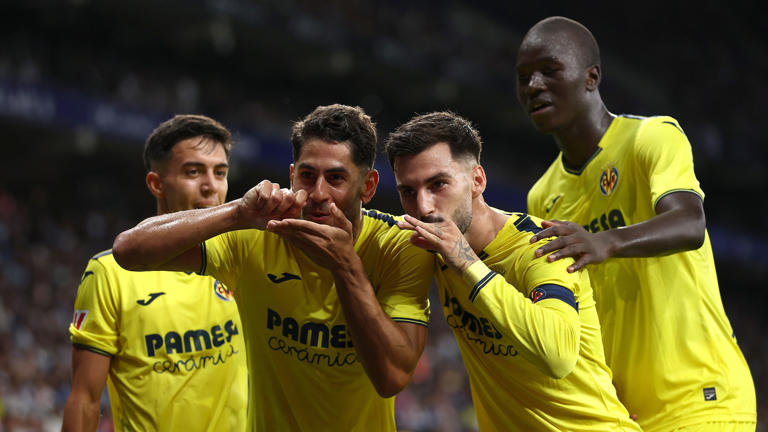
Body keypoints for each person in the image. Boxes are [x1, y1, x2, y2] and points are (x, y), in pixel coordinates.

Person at [111, 104, 433, 431]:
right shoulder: (257, 236)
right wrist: (237, 212)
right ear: (292, 175)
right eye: (308, 176)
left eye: (336, 178)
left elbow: (392, 377)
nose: (318, 193)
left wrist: (346, 266)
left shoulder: (399, 245)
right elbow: (128, 251)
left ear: (368, 185)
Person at [517, 16, 756, 432]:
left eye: (549, 71)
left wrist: (604, 242)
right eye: (523, 77)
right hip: (623, 415)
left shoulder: (652, 137)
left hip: (701, 399)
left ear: (591, 77)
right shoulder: (542, 196)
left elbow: (689, 222)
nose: (533, 85)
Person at [385, 111, 640, 431]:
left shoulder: (541, 245)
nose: (423, 207)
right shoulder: (426, 243)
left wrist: (467, 262)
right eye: (408, 191)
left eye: (438, 184)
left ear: (477, 180)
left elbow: (557, 356)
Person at [62, 115, 248, 431]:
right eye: (193, 172)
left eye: (220, 172)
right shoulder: (110, 272)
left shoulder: (245, 260)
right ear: (156, 184)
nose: (210, 186)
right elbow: (85, 399)